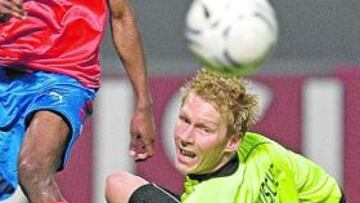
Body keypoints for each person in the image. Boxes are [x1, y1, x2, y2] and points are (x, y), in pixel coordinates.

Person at [105, 68, 345, 203]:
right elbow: (331, 194)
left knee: (118, 186)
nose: (186, 137)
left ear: (233, 140)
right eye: (185, 119)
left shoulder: (213, 195)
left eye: (204, 129)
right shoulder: (262, 147)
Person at [0, 0, 155, 202]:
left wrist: (143, 104)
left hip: (67, 76)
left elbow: (122, 16)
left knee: (34, 168)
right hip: (5, 70)